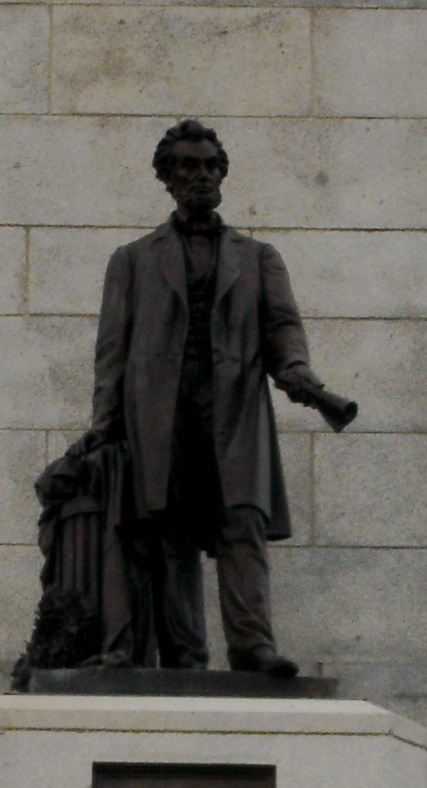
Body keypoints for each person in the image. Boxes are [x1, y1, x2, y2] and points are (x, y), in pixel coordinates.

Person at [88, 120, 359, 675]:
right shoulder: (133, 260)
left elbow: (284, 332)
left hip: (234, 406)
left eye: (211, 165)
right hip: (157, 414)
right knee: (172, 532)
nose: (202, 175)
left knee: (242, 522)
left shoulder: (259, 257)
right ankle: (185, 658)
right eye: (188, 165)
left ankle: (253, 647)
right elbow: (111, 356)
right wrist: (104, 424)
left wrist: (300, 375)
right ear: (167, 177)